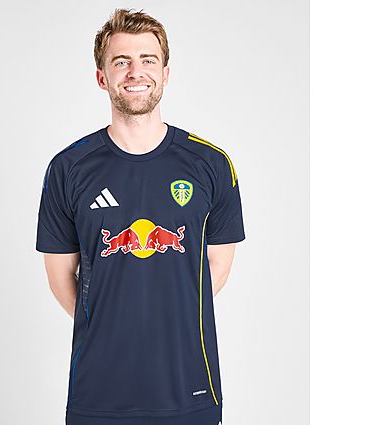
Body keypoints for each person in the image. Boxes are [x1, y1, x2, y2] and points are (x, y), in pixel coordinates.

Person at [36, 8, 245, 425]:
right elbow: (61, 279)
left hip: (189, 389)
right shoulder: (68, 168)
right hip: (98, 394)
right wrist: (112, 323)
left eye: (148, 60)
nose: (136, 71)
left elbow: (215, 269)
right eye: (121, 61)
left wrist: (168, 318)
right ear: (102, 77)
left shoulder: (211, 164)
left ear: (165, 74)